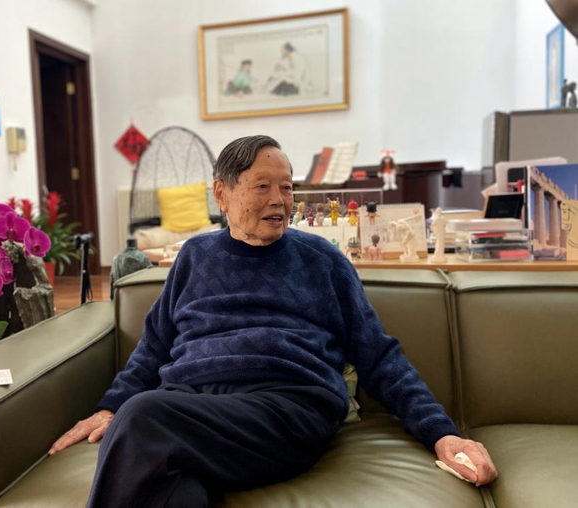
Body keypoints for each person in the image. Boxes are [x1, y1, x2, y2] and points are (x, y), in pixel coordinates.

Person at [49, 135, 498, 507]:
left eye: (286, 187)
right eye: (262, 187)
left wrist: (441, 433)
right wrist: (109, 407)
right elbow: (153, 347)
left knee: (143, 418)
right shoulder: (194, 257)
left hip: (288, 408)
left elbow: (378, 355)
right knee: (172, 485)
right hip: (192, 407)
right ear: (221, 193)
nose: (279, 201)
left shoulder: (321, 259)